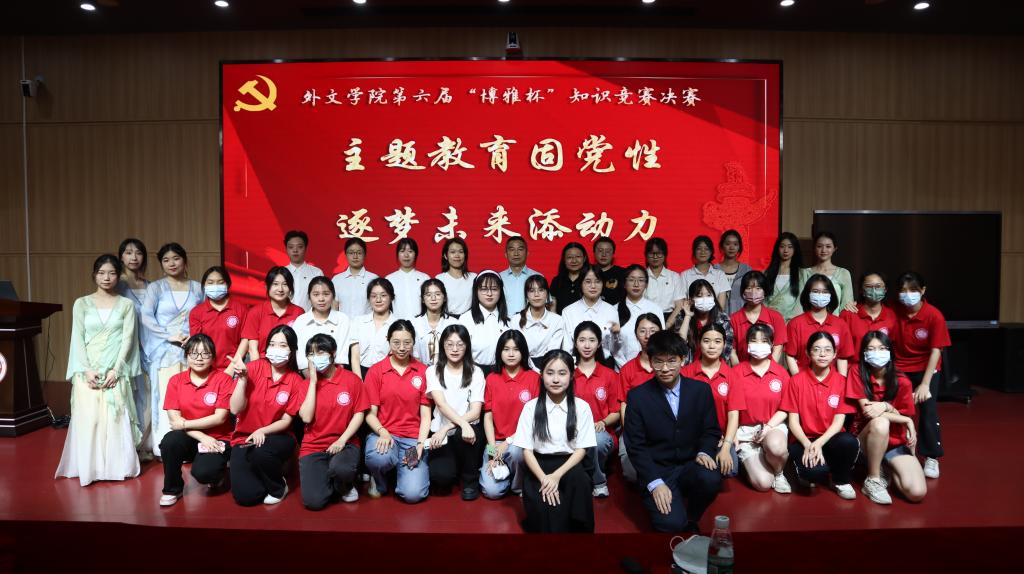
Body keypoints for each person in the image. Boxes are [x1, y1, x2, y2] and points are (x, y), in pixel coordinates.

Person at [55, 254, 142, 486]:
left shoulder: (126, 305)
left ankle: (116, 468)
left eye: (112, 273)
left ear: (119, 276)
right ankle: (89, 468)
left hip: (115, 371)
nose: (106, 278)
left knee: (114, 419)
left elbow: (128, 340)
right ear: (94, 275)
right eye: (102, 273)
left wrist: (117, 370)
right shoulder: (81, 303)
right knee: (90, 419)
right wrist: (86, 370)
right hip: (88, 372)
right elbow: (77, 338)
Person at [624, 330, 722, 533]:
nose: (665, 368)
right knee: (671, 525)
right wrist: (654, 482)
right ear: (650, 362)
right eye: (658, 362)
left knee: (711, 478)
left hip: (690, 463)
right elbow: (635, 446)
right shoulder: (637, 397)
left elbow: (711, 430)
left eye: (671, 361)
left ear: (682, 360)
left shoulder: (700, 390)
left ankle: (692, 516)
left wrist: (705, 451)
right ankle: (678, 516)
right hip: (658, 469)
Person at [513, 350, 596, 533]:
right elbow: (527, 451)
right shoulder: (530, 407)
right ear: (541, 375)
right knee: (546, 523)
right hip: (538, 467)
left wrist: (556, 476)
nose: (556, 379)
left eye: (562, 373)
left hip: (570, 466)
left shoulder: (582, 407)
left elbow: (581, 449)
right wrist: (545, 479)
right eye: (550, 373)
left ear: (571, 375)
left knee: (576, 521)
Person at [227, 325, 304, 506]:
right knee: (247, 497)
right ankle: (265, 471)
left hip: (278, 437)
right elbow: (234, 409)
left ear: (292, 350)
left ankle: (279, 487)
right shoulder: (252, 368)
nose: (276, 349)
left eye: (283, 345)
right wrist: (242, 379)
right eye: (272, 344)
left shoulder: (296, 380)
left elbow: (286, 420)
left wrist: (262, 431)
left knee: (261, 452)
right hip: (245, 438)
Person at [848, 331, 927, 505]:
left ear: (890, 352)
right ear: (864, 353)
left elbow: (905, 415)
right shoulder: (856, 372)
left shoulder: (903, 381)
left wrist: (885, 406)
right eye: (871, 349)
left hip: (894, 442)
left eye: (882, 348)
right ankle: (873, 479)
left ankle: (886, 467)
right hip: (864, 440)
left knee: (916, 493)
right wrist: (903, 418)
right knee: (880, 422)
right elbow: (868, 411)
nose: (877, 353)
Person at [139, 243, 202, 457]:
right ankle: (165, 447)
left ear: (185, 260)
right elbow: (146, 316)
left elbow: (204, 315)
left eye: (176, 258)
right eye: (166, 260)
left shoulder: (197, 288)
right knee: (166, 398)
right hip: (164, 350)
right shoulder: (156, 288)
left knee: (191, 398)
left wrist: (193, 337)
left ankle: (191, 445)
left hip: (191, 350)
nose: (171, 263)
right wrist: (168, 335)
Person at [157, 334, 234, 506]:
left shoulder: (223, 379)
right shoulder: (176, 381)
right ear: (186, 356)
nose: (199, 358)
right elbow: (174, 420)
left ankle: (218, 473)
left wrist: (185, 424)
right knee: (170, 441)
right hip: (191, 437)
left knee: (205, 473)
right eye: (193, 353)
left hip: (217, 439)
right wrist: (202, 436)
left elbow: (220, 417)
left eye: (205, 353)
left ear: (213, 357)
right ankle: (172, 489)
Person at [781, 332, 859, 499]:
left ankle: (840, 480)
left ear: (835, 354)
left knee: (849, 442)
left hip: (830, 438)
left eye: (827, 350)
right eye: (816, 349)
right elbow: (793, 422)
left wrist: (819, 443)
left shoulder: (841, 381)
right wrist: (808, 444)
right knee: (815, 474)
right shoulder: (796, 381)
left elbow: (839, 422)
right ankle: (808, 470)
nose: (822, 354)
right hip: (803, 439)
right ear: (808, 353)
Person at [297, 333, 369, 509]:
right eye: (311, 354)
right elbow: (306, 417)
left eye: (320, 352)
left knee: (342, 469)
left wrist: (342, 440)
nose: (316, 357)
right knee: (314, 502)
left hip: (345, 443)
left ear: (333, 353)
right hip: (314, 445)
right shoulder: (305, 385)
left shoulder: (351, 380)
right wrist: (313, 382)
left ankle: (345, 484)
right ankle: (327, 477)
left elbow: (359, 414)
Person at [363, 320, 432, 503]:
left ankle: (401, 473)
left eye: (407, 342)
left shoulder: (423, 371)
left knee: (413, 494)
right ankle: (379, 479)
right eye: (396, 342)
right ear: (388, 341)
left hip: (412, 440)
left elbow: (426, 416)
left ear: (414, 342)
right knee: (379, 459)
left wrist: (420, 444)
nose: (402, 348)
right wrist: (382, 432)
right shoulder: (376, 371)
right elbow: (370, 414)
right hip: (385, 435)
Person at [892, 271, 950, 480]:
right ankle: (900, 449)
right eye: (903, 290)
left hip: (927, 368)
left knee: (928, 409)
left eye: (913, 290)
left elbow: (936, 351)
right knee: (899, 409)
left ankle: (931, 456)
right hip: (900, 367)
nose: (908, 295)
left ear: (923, 291)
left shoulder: (934, 315)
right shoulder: (893, 310)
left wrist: (925, 384)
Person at [426, 324, 486, 500]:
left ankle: (469, 480)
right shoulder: (433, 370)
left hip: (467, 431)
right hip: (441, 434)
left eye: (460, 344)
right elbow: (441, 404)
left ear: (467, 346)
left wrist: (451, 426)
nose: (454, 349)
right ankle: (454, 468)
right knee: (441, 478)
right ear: (443, 345)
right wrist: (445, 429)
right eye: (450, 344)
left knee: (463, 433)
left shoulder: (476, 372)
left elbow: (475, 412)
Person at [731, 324, 792, 493]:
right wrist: (733, 433)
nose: (759, 345)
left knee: (776, 447)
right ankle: (756, 461)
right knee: (763, 484)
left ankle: (779, 473)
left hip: (772, 426)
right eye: (754, 340)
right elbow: (732, 409)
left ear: (772, 344)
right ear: (747, 344)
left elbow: (785, 408)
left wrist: (768, 428)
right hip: (745, 433)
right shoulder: (736, 372)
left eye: (764, 341)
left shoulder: (781, 373)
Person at [480, 331, 540, 499]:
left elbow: (534, 420)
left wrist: (508, 443)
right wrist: (492, 450)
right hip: (496, 442)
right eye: (506, 349)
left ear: (523, 352)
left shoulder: (534, 378)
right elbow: (488, 417)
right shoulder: (491, 378)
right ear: (500, 352)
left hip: (522, 441)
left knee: (515, 452)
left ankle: (518, 485)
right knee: (491, 492)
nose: (511, 354)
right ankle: (507, 473)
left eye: (516, 349)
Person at [680, 324, 745, 479]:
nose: (711, 346)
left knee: (730, 470)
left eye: (717, 341)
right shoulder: (686, 373)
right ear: (699, 342)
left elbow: (733, 415)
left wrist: (726, 445)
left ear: (724, 344)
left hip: (720, 437)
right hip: (691, 436)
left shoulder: (732, 376)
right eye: (706, 341)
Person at [571, 322, 620, 498]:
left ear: (599, 344)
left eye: (592, 340)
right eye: (582, 340)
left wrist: (602, 422)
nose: (587, 345)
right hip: (572, 432)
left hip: (601, 433)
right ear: (575, 343)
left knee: (596, 441)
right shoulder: (567, 374)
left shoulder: (609, 375)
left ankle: (599, 482)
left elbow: (616, 411)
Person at [115, 238, 151, 458]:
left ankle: (144, 443)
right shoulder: (116, 284)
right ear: (121, 257)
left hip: (149, 345)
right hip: (126, 346)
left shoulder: (149, 285)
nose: (134, 257)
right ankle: (128, 446)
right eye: (128, 253)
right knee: (128, 395)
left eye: (138, 253)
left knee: (146, 395)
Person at [617, 313, 662, 484]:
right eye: (642, 331)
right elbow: (624, 405)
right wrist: (630, 431)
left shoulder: (666, 368)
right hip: (634, 430)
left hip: (662, 429)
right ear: (636, 334)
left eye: (653, 330)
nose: (647, 335)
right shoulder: (627, 369)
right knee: (632, 474)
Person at [785, 274, 854, 376]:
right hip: (803, 379)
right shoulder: (795, 324)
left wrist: (841, 382)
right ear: (808, 294)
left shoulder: (841, 324)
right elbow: (790, 356)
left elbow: (842, 357)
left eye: (825, 292)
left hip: (833, 382)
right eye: (815, 291)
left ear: (831, 295)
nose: (820, 295)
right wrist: (799, 381)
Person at [189, 266, 248, 376]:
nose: (215, 286)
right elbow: (197, 344)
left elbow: (245, 340)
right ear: (204, 285)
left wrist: (232, 368)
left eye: (220, 282)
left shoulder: (241, 309)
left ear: (228, 284)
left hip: (235, 367)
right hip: (206, 370)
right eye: (210, 283)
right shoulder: (196, 312)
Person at [293, 277, 358, 374]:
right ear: (309, 297)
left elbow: (341, 358)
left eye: (326, 294)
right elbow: (301, 359)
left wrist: (333, 380)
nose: (321, 299)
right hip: (308, 375)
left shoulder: (343, 319)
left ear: (333, 296)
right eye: (316, 294)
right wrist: (312, 380)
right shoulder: (300, 321)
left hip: (337, 374)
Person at [240, 266, 304, 361]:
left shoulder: (299, 312)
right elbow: (253, 350)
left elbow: (301, 346)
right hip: (262, 363)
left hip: (290, 364)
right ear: (267, 286)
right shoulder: (255, 312)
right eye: (275, 284)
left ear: (290, 288)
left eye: (285, 284)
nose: (280, 289)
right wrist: (259, 368)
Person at [610, 264, 664, 369]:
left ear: (646, 284)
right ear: (624, 284)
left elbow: (660, 341)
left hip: (651, 369)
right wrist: (628, 369)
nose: (636, 284)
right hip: (622, 370)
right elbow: (612, 347)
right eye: (631, 280)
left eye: (641, 280)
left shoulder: (655, 309)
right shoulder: (613, 310)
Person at [561, 264, 619, 362]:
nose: (593, 286)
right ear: (581, 284)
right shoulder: (568, 312)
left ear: (603, 284)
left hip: (605, 363)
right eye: (588, 281)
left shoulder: (611, 311)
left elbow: (615, 348)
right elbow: (567, 348)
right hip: (576, 364)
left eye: (597, 281)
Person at [457, 271, 511, 375]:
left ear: (501, 291)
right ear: (476, 291)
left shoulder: (509, 320)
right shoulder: (465, 319)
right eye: (484, 289)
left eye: (494, 289)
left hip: (502, 373)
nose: (489, 294)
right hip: (473, 373)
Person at [670, 279, 734, 364]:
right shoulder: (682, 317)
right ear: (691, 300)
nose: (704, 299)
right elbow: (679, 344)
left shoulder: (722, 318)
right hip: (689, 366)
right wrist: (687, 316)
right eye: (699, 296)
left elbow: (727, 347)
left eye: (708, 295)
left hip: (715, 365)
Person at [730, 271, 787, 364]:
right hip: (742, 368)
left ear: (765, 291)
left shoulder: (776, 317)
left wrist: (769, 369)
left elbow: (778, 348)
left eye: (758, 288)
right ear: (743, 292)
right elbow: (732, 351)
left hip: (769, 368)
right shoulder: (733, 319)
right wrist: (739, 371)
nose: (753, 292)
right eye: (749, 288)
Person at [841, 271, 898, 366]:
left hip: (883, 369)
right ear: (861, 290)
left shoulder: (892, 315)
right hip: (855, 369)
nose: (874, 290)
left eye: (878, 286)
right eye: (868, 286)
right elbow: (842, 351)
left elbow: (894, 348)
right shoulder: (848, 315)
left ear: (885, 289)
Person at [513, 274, 569, 368]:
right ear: (526, 296)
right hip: (522, 366)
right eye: (532, 291)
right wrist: (533, 369)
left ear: (547, 294)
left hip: (548, 366)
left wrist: (541, 371)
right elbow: (516, 350)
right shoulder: (515, 320)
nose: (536, 294)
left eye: (541, 290)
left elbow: (552, 352)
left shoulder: (557, 321)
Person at [799, 231, 857, 315]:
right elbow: (800, 304)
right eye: (819, 246)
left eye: (828, 246)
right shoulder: (805, 273)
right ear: (814, 248)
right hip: (809, 320)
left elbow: (847, 305)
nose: (823, 250)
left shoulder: (843, 273)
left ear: (834, 249)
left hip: (835, 321)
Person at [350, 277, 397, 377]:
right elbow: (355, 357)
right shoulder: (358, 322)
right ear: (369, 299)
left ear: (391, 297)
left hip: (387, 374)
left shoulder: (397, 324)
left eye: (383, 295)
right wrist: (359, 382)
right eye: (374, 296)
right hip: (360, 372)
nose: (378, 300)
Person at [411, 278, 458, 366]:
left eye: (438, 294)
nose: (433, 298)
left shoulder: (454, 324)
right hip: (420, 370)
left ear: (444, 298)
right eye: (428, 295)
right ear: (422, 299)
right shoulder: (413, 325)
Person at [680, 235, 730, 311]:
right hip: (692, 316)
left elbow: (721, 306)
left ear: (711, 252)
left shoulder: (720, 275)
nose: (703, 252)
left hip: (715, 316)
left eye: (706, 249)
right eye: (699, 249)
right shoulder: (685, 275)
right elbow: (683, 302)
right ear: (694, 252)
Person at [331, 237, 378, 317]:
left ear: (364, 254)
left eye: (359, 253)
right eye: (351, 253)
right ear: (346, 255)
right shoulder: (337, 280)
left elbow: (378, 306)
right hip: (344, 324)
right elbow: (334, 307)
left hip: (367, 324)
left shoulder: (373, 279)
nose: (355, 256)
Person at [386, 238, 431, 321]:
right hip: (397, 324)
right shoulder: (389, 279)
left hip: (421, 323)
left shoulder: (425, 278)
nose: (406, 255)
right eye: (402, 251)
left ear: (416, 254)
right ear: (397, 254)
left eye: (410, 251)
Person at [764, 232, 804, 322]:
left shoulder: (802, 274)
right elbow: (763, 299)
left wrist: (792, 321)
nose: (786, 250)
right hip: (769, 321)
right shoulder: (767, 273)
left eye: (790, 247)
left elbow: (800, 301)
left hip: (792, 321)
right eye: (782, 246)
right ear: (777, 248)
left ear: (795, 249)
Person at [715, 229, 754, 315]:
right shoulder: (714, 270)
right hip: (718, 318)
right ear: (722, 246)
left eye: (735, 244)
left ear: (739, 247)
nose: (731, 247)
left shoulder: (747, 270)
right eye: (727, 244)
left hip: (742, 317)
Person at [284, 230, 324, 312]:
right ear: (286, 249)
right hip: (285, 318)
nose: (295, 250)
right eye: (291, 247)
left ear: (305, 248)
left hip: (309, 318)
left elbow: (321, 298)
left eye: (300, 247)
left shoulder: (316, 273)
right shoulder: (281, 273)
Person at [436, 237, 477, 316]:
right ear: (445, 255)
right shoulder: (440, 278)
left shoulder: (473, 277)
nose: (457, 255)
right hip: (446, 319)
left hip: (469, 319)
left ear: (465, 255)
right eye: (453, 252)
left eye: (461, 252)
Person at [499, 237, 540, 315]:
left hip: (531, 321)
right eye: (512, 250)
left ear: (527, 253)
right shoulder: (498, 278)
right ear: (506, 254)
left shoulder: (538, 277)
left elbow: (546, 304)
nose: (516, 254)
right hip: (504, 321)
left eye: (520, 249)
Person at [643, 237, 684, 315]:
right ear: (646, 255)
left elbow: (679, 305)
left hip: (669, 317)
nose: (655, 257)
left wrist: (669, 321)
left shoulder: (674, 277)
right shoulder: (641, 276)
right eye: (651, 253)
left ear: (665, 254)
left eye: (659, 253)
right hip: (646, 317)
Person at [549, 242, 588, 313]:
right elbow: (552, 307)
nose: (574, 261)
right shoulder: (557, 281)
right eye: (569, 257)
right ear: (564, 260)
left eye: (578, 257)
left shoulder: (590, 281)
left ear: (584, 258)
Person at [593, 237, 626, 305]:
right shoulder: (587, 271)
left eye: (607, 251)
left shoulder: (622, 273)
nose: (604, 254)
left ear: (613, 253)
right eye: (600, 250)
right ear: (594, 252)